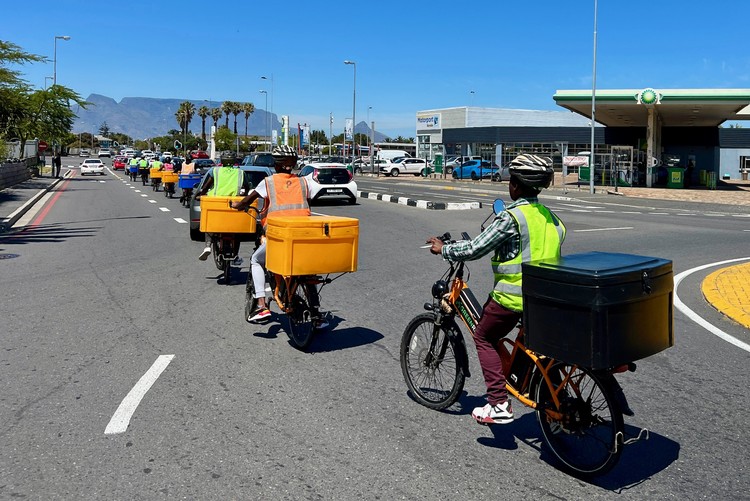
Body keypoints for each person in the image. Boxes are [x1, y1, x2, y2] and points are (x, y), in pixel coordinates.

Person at [426, 154, 566, 426]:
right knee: (540, 354)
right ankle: (554, 406)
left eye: (511, 181)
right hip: (544, 299)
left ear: (515, 185)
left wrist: (445, 249)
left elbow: (476, 248)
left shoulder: (511, 218)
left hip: (512, 299)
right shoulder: (552, 218)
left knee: (483, 336)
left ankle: (498, 403)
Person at [231, 145, 325, 325]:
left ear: (276, 164)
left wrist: (238, 206)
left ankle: (261, 305)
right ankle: (316, 313)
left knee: (256, 260)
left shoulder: (268, 182)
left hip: (279, 238)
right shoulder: (305, 182)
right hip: (304, 237)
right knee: (307, 269)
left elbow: (247, 201)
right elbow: (310, 199)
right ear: (295, 163)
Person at [196, 161, 248, 265]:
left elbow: (206, 186)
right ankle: (236, 255)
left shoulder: (215, 171)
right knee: (236, 230)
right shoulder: (240, 172)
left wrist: (201, 194)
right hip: (233, 204)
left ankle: (208, 246)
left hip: (216, 202)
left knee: (209, 223)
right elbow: (246, 187)